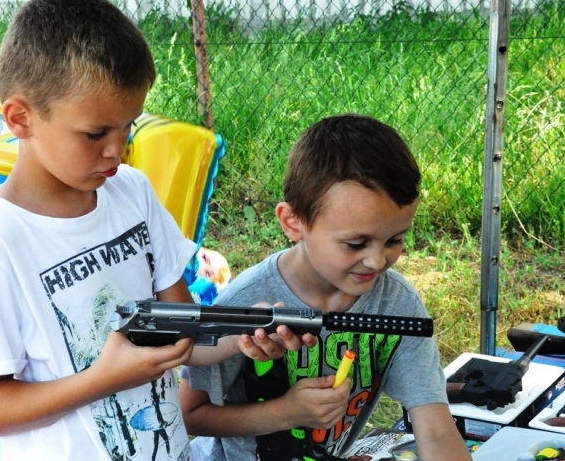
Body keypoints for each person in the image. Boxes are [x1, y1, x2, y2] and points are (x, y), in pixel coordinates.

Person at [0, 0, 306, 461]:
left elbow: (182, 336)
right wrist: (103, 379)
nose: (116, 150)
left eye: (128, 126)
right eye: (95, 133)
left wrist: (242, 333)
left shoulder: (132, 192)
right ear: (21, 118)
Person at [179, 114, 473, 460]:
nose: (377, 261)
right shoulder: (247, 301)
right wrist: (285, 413)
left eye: (394, 240)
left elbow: (436, 431)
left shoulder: (396, 304)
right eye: (355, 244)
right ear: (293, 222)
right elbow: (189, 414)